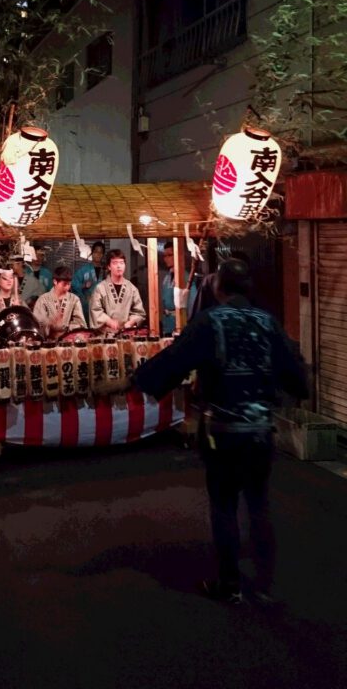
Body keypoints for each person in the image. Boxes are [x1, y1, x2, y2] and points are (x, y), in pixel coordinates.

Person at [132, 258, 308, 605]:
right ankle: (265, 583)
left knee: (225, 505)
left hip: (224, 430)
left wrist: (137, 379)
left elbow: (175, 360)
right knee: (259, 504)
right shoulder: (267, 323)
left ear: (218, 287)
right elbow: (296, 377)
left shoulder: (212, 322)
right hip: (260, 430)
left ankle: (231, 584)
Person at [89, 249, 146, 333]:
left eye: (121, 263)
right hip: (106, 335)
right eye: (115, 263)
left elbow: (139, 312)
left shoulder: (132, 288)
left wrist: (131, 322)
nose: (119, 266)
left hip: (126, 333)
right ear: (109, 266)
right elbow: (95, 310)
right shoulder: (100, 288)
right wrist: (108, 321)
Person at [33, 266, 87, 339]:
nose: (67, 287)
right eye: (64, 284)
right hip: (48, 342)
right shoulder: (43, 300)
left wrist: (65, 329)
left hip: (68, 341)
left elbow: (80, 323)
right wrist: (50, 324)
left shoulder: (74, 299)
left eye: (69, 284)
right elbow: (37, 323)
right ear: (55, 281)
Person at [161, 241, 197, 336]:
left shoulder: (185, 277)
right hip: (167, 325)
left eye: (169, 255)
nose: (166, 259)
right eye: (165, 256)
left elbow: (192, 304)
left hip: (181, 325)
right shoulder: (166, 277)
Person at [71, 241, 105, 324]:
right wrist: (84, 286)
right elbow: (73, 285)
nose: (98, 254)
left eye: (101, 252)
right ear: (92, 253)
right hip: (86, 306)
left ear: (103, 255)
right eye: (96, 252)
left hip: (102, 307)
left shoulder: (106, 270)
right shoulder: (83, 270)